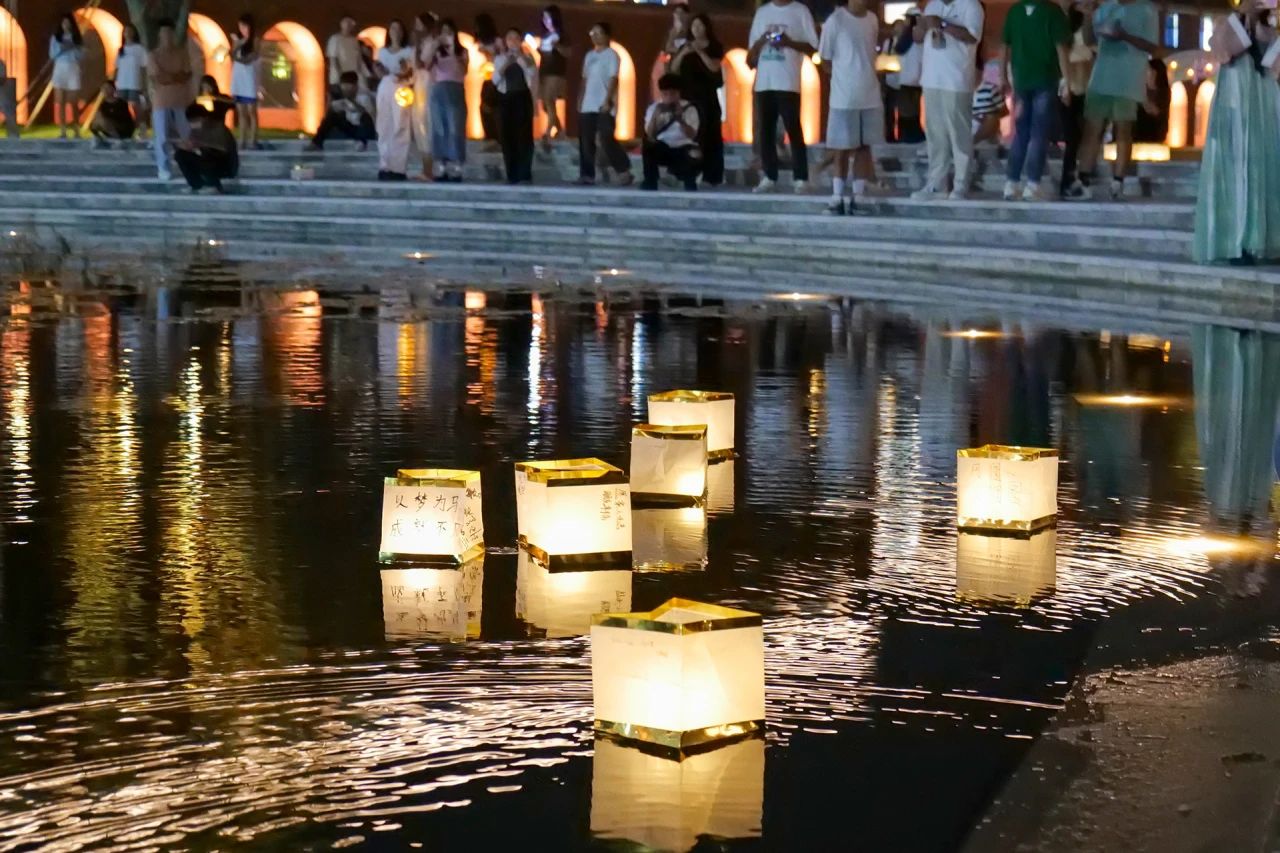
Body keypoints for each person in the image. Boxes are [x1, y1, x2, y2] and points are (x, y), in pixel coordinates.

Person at [1192, 0, 1280, 264]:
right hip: (1234, 100)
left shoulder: (1271, 28)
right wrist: (1242, 18)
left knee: (1262, 167)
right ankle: (1235, 241)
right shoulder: (1229, 22)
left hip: (1262, 101)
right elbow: (1221, 50)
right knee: (1236, 167)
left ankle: (1261, 240)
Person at [1070, 0, 1159, 200]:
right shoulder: (1106, 8)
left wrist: (1124, 36)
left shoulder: (1147, 10)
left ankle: (1118, 181)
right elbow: (1089, 39)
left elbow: (1152, 47)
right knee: (1092, 129)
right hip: (1101, 77)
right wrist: (1087, 16)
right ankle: (1083, 181)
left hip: (1128, 79)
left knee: (1123, 130)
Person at [912, 0, 984, 200]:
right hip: (931, 79)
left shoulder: (971, 6)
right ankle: (936, 183)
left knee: (959, 133)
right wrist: (920, 27)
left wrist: (942, 24)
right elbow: (917, 37)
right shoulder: (932, 6)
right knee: (935, 134)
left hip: (956, 79)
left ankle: (961, 184)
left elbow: (972, 36)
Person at [1000, 0, 1071, 201]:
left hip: (1021, 80)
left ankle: (1011, 183)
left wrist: (1002, 77)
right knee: (1039, 133)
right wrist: (1067, 82)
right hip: (1045, 79)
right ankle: (1032, 184)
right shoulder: (1052, 11)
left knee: (1020, 133)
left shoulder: (1014, 11)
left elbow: (1004, 45)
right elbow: (1061, 49)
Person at [747, 0, 819, 193]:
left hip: (788, 81)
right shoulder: (762, 13)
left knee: (793, 128)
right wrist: (763, 40)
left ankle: (801, 177)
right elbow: (751, 52)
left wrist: (788, 42)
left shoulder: (800, 11)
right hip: (765, 82)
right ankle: (769, 175)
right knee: (766, 131)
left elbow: (813, 47)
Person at [819, 0, 883, 215]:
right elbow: (825, 58)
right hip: (844, 96)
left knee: (865, 146)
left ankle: (858, 195)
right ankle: (837, 197)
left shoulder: (872, 19)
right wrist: (842, 79)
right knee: (842, 148)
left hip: (869, 93)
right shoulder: (836, 21)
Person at [671, 13, 725, 186]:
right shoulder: (685, 47)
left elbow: (714, 68)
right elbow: (673, 69)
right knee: (688, 136)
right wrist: (684, 53)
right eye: (694, 26)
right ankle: (685, 173)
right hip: (688, 98)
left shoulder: (714, 47)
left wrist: (700, 52)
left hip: (707, 97)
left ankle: (711, 175)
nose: (697, 29)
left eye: (700, 26)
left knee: (709, 136)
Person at [577, 22, 633, 186]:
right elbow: (584, 80)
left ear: (607, 36)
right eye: (592, 33)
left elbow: (613, 78)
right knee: (586, 140)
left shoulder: (612, 55)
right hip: (588, 104)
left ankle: (623, 170)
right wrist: (580, 100)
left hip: (604, 104)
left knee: (606, 137)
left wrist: (608, 100)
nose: (594, 36)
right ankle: (587, 174)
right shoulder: (589, 56)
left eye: (598, 33)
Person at [147, 19, 193, 181]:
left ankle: (191, 165)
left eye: (170, 33)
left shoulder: (181, 53)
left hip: (179, 100)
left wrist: (171, 77)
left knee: (186, 135)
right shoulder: (153, 55)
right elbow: (158, 78)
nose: (167, 36)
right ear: (159, 35)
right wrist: (175, 76)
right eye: (164, 33)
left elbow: (187, 74)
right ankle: (163, 167)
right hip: (161, 101)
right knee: (162, 137)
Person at [641, 72, 701, 191]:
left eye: (672, 94)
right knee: (648, 147)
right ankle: (650, 182)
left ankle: (688, 182)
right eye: (665, 94)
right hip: (663, 146)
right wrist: (655, 117)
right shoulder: (654, 108)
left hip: (683, 146)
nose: (669, 97)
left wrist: (680, 119)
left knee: (695, 155)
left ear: (679, 93)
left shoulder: (689, 109)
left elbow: (692, 135)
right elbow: (650, 135)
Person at [426, 19, 469, 181]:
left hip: (455, 89)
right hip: (438, 90)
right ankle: (441, 166)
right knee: (439, 127)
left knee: (455, 127)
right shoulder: (436, 52)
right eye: (443, 31)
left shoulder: (462, 52)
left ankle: (457, 165)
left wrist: (452, 53)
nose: (446, 35)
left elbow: (464, 71)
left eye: (449, 31)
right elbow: (426, 66)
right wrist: (435, 47)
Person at [1059, 3, 1094, 197]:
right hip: (1070, 88)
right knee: (1073, 136)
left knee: (1078, 136)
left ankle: (1072, 179)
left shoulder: (1086, 28)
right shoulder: (1070, 30)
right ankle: (1068, 180)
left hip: (1081, 88)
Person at [494, 28, 537, 184]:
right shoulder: (500, 59)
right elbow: (495, 79)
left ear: (520, 41)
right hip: (506, 97)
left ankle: (524, 172)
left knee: (523, 135)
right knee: (507, 136)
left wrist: (520, 57)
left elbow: (532, 72)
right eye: (509, 38)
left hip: (522, 97)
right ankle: (511, 173)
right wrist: (507, 62)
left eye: (516, 38)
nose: (513, 41)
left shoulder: (527, 57)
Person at [375, 19, 416, 180]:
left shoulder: (408, 51)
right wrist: (379, 70)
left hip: (402, 89)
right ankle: (385, 165)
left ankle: (398, 168)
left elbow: (410, 72)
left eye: (399, 28)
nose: (395, 31)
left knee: (401, 126)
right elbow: (380, 73)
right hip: (385, 87)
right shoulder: (382, 52)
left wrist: (403, 71)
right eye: (392, 28)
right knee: (384, 127)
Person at [174, 103, 239, 193]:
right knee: (180, 155)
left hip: (225, 164)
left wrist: (200, 144)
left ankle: (214, 185)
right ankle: (196, 185)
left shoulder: (218, 127)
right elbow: (190, 144)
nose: (193, 123)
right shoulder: (195, 130)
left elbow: (222, 149)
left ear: (203, 117)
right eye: (191, 121)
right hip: (208, 160)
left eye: (195, 120)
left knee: (209, 155)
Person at [310, 71, 376, 149]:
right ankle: (316, 143)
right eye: (344, 87)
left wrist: (351, 101)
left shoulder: (364, 97)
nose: (346, 90)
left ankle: (362, 143)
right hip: (352, 130)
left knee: (365, 117)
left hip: (365, 131)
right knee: (333, 116)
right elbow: (330, 112)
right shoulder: (342, 100)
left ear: (355, 86)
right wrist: (330, 102)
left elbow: (368, 115)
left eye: (349, 87)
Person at [538, 5, 571, 146]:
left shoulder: (561, 35)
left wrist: (556, 46)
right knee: (546, 104)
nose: (545, 20)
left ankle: (548, 132)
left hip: (555, 72)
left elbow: (568, 53)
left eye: (548, 17)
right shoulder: (545, 35)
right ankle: (560, 130)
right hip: (544, 71)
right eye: (544, 18)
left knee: (549, 100)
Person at [411, 13, 438, 181]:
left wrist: (416, 49)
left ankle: (430, 169)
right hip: (418, 85)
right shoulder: (421, 44)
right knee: (419, 126)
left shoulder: (433, 43)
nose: (416, 27)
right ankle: (425, 168)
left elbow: (424, 64)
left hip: (429, 86)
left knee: (426, 125)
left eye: (418, 24)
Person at [229, 13, 261, 151]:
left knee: (251, 111)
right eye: (240, 26)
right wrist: (237, 45)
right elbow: (231, 55)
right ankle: (241, 140)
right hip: (238, 78)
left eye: (245, 26)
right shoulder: (238, 40)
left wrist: (238, 57)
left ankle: (253, 140)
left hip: (250, 78)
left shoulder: (255, 40)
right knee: (241, 111)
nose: (242, 29)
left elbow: (251, 58)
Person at [50, 13, 84, 139]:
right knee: (61, 101)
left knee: (73, 101)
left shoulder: (77, 38)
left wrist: (73, 48)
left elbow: (81, 55)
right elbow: (52, 55)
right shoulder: (56, 38)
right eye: (64, 22)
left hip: (73, 68)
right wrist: (62, 49)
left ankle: (76, 130)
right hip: (60, 68)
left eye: (68, 22)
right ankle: (63, 130)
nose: (66, 25)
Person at [895, 10, 926, 144]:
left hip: (906, 78)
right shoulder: (923, 35)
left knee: (907, 111)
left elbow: (899, 50)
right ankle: (913, 135)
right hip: (918, 78)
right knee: (914, 109)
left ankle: (909, 136)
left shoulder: (908, 35)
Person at [116, 24, 149, 135]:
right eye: (126, 31)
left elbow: (144, 67)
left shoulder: (139, 49)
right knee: (122, 108)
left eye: (130, 31)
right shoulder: (121, 50)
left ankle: (142, 128)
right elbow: (117, 67)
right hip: (122, 84)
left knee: (136, 106)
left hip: (135, 83)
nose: (128, 33)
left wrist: (144, 85)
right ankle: (125, 129)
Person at [474, 14, 502, 143]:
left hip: (497, 77)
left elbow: (501, 57)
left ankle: (496, 136)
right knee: (484, 106)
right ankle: (489, 135)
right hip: (487, 77)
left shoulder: (497, 41)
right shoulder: (480, 42)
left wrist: (488, 53)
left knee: (491, 105)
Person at [1134, 56, 1170, 143]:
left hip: (1155, 130)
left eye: (1149, 70)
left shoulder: (1163, 91)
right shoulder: (1141, 88)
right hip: (1138, 131)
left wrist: (1143, 101)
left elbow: (1157, 111)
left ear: (1156, 72)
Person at [327, 16, 366, 96]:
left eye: (351, 23)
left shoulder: (354, 40)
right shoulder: (335, 39)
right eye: (346, 22)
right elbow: (333, 59)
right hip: (339, 81)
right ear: (341, 24)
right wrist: (340, 77)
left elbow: (358, 59)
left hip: (353, 80)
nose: (348, 25)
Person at [89, 81, 135, 147]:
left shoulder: (121, 103)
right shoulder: (103, 105)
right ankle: (98, 138)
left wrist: (107, 120)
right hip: (109, 127)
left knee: (102, 121)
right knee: (97, 121)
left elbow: (123, 119)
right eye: (104, 88)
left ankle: (117, 139)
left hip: (122, 129)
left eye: (107, 88)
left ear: (113, 89)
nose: (105, 90)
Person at [971, 60, 1006, 146]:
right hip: (970, 125)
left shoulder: (991, 88)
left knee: (992, 119)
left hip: (988, 125)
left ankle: (972, 142)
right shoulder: (963, 91)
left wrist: (988, 117)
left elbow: (1004, 111)